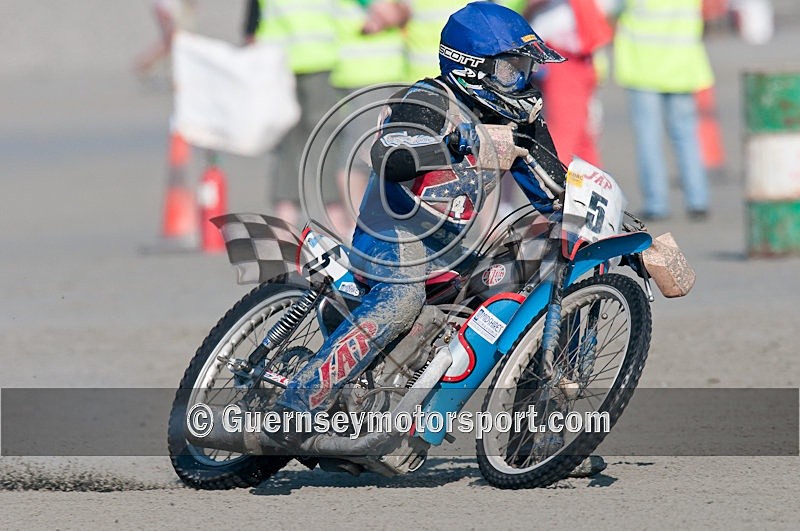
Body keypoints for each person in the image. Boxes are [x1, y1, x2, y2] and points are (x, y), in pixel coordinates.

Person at [277, 1, 605, 477]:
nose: (524, 80)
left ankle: (534, 439)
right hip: (391, 238)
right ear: (473, 67)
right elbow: (388, 157)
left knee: (543, 274)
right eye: (512, 69)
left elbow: (556, 192)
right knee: (403, 295)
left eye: (526, 68)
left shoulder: (519, 120)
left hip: (456, 253)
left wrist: (621, 229)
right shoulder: (426, 101)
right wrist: (462, 142)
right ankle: (295, 402)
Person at [244, 0, 342, 228]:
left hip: (277, 57)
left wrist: (250, 33)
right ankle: (334, 218)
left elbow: (253, 10)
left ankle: (285, 218)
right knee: (325, 140)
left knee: (287, 142)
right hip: (321, 55)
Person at [613, 0, 713, 220]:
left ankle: (656, 202)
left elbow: (609, 9)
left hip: (643, 69)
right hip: (682, 68)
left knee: (649, 138)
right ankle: (698, 199)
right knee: (686, 136)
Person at [517, 0, 615, 167]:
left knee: (572, 140)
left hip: (569, 55)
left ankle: (568, 188)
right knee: (576, 139)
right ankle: (575, 187)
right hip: (565, 55)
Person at [134, 0, 198, 76]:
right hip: (168, 8)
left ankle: (143, 65)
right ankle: (143, 65)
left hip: (165, 7)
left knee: (173, 41)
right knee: (173, 41)